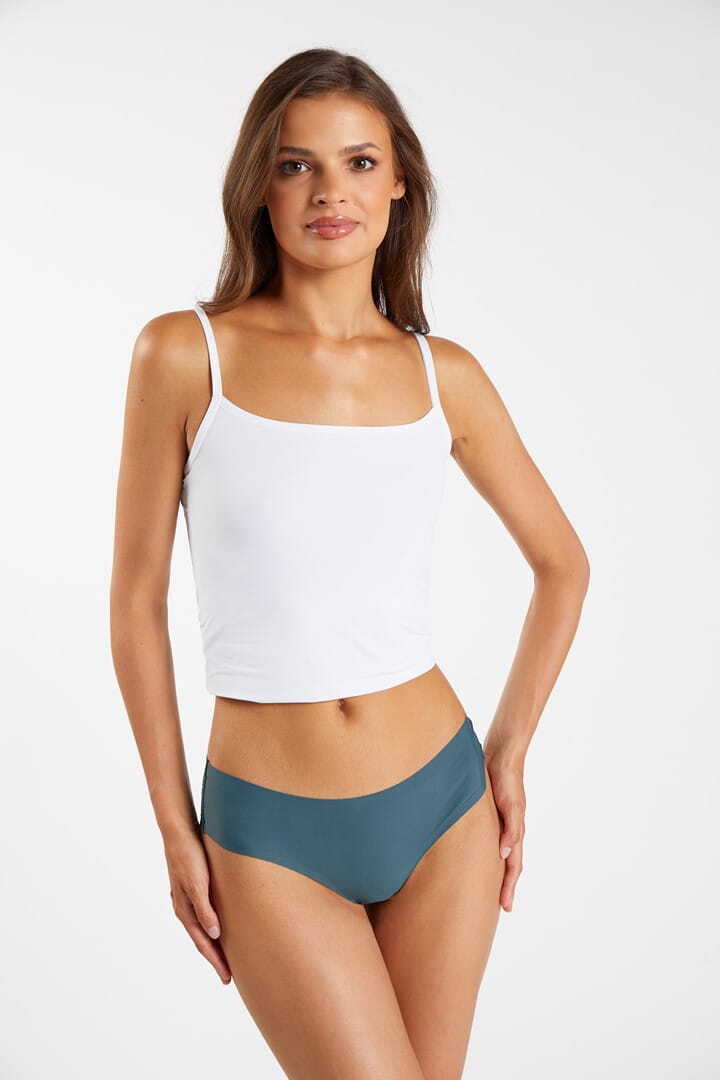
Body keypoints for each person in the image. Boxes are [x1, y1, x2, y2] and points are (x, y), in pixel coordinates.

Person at [110, 48, 589, 1080]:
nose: (331, 192)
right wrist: (173, 823)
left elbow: (563, 566)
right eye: (297, 165)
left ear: (400, 181)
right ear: (259, 185)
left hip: (443, 811)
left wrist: (507, 753)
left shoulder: (442, 375)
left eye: (360, 162)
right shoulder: (185, 355)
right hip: (269, 832)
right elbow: (136, 604)